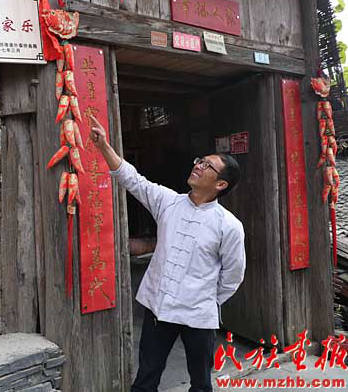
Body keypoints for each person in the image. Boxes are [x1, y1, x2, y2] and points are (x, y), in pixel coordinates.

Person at [89, 115, 246, 392]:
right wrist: (104, 146)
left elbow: (233, 276)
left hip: (198, 315)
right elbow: (132, 180)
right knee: (146, 379)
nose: (198, 166)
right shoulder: (168, 202)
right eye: (199, 161)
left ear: (221, 184)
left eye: (207, 165)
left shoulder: (229, 226)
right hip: (158, 307)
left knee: (201, 383)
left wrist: (204, 298)